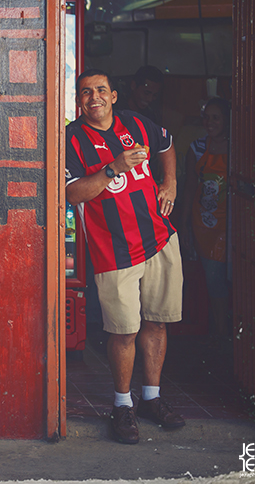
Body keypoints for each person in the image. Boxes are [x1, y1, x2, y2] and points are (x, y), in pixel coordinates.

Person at [65, 68, 185, 445]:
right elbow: (73, 194)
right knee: (124, 331)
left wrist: (171, 182)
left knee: (158, 323)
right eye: (86, 92)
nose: (94, 97)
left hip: (160, 240)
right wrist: (113, 167)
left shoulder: (136, 122)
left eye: (101, 90)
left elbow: (166, 144)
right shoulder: (71, 139)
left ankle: (151, 399)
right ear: (78, 101)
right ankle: (122, 406)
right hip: (114, 252)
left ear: (114, 95)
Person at [179, 97, 231, 341]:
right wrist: (185, 224)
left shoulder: (238, 148)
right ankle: (221, 332)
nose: (209, 122)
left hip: (232, 224)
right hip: (205, 226)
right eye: (206, 117)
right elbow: (190, 186)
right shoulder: (197, 148)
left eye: (216, 117)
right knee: (214, 279)